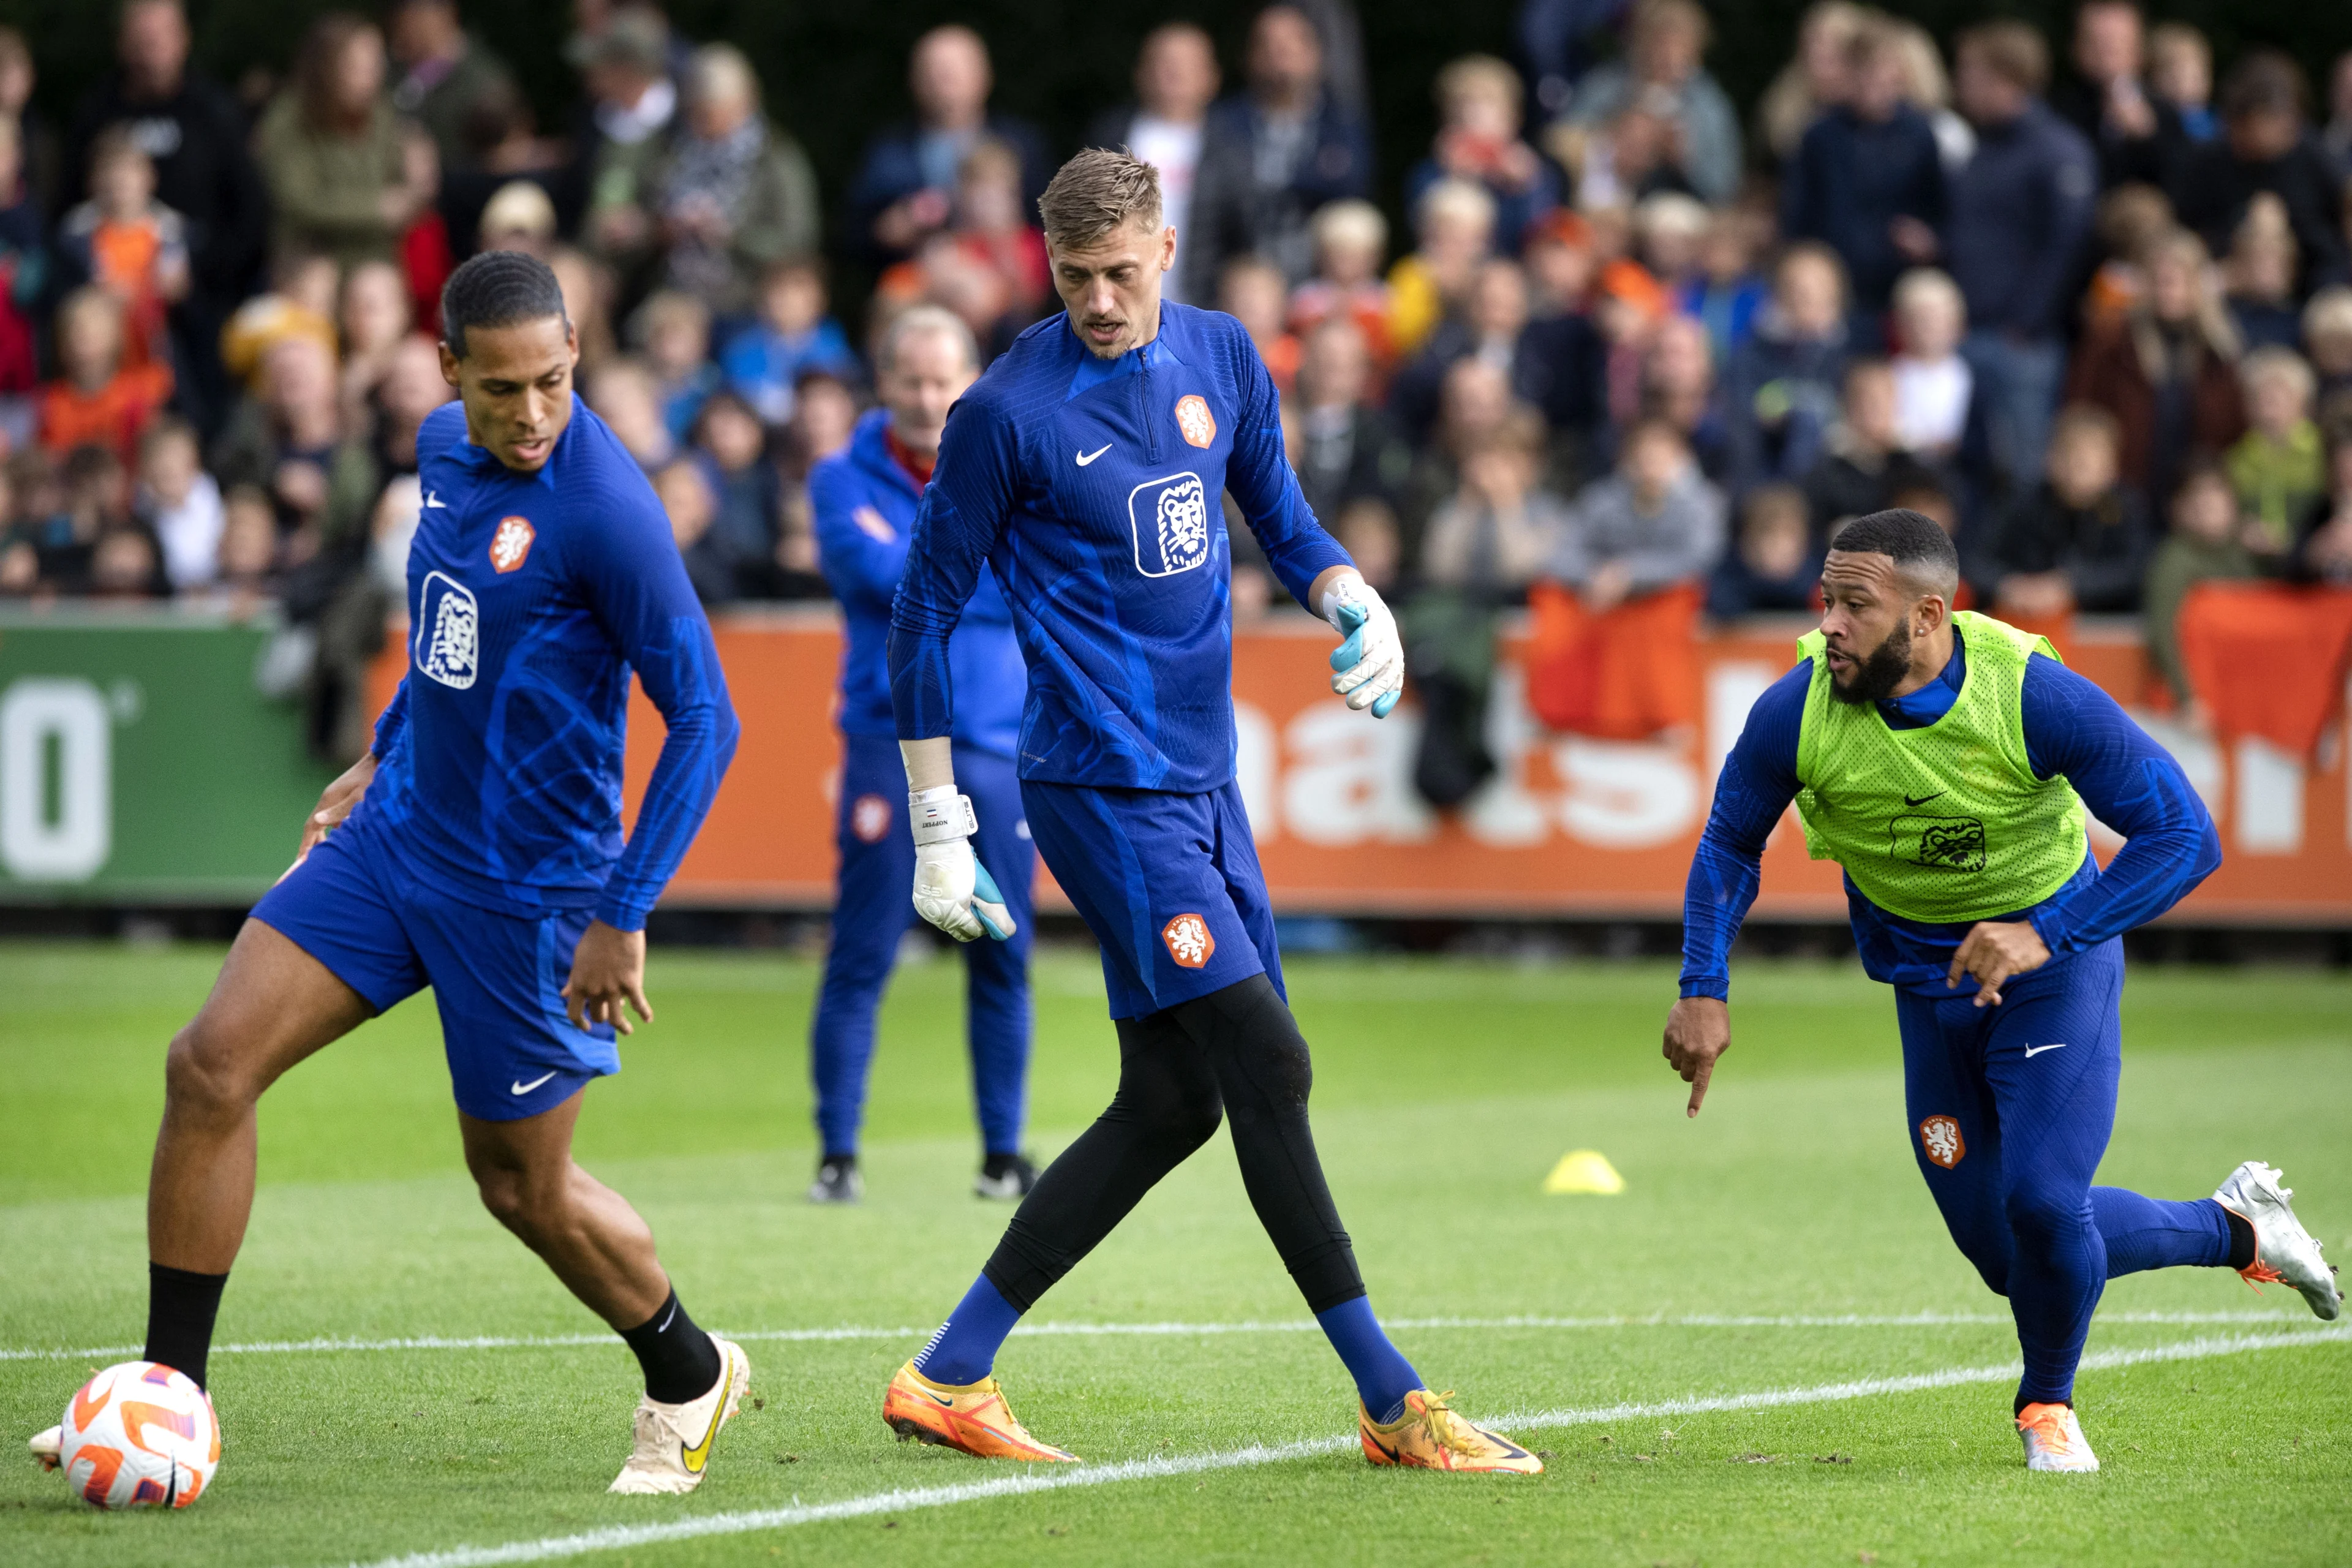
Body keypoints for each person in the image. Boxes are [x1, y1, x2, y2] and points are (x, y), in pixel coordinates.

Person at [24, 249, 751, 1496]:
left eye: (557, 383)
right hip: (400, 836)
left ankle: (689, 1370)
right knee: (208, 1064)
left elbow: (709, 718)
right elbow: (451, 627)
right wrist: (383, 749)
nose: (532, 416)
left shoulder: (608, 512)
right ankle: (164, 1399)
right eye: (504, 388)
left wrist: (620, 913)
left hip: (529, 893)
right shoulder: (436, 449)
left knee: (521, 1188)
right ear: (447, 370)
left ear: (579, 352)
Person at [878, 147, 1538, 1472]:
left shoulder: (1226, 355)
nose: (1103, 302)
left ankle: (948, 1370)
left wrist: (1354, 594)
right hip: (1097, 790)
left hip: (1205, 787)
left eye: (1122, 273)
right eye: (1076, 279)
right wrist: (939, 819)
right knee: (1271, 1062)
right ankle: (1392, 1400)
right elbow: (923, 612)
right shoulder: (1006, 410)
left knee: (1174, 1101)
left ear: (1165, 249)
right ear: (1048, 266)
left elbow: (1280, 517)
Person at [1662, 507, 2340, 1476]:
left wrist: (2046, 933)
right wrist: (1703, 985)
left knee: (2042, 1200)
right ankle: (2236, 1228)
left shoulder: (2033, 697)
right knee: (2002, 1253)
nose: (1831, 627)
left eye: (1857, 605)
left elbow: (2187, 836)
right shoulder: (1797, 709)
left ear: (1929, 614)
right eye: (1827, 601)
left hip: (2052, 971)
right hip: (1923, 984)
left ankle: (2047, 1407)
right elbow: (1730, 842)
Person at [805, 305, 1033, 1204]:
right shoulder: (836, 477)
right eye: (914, 379)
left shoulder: (1005, 468)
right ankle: (837, 1153)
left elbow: (916, 583)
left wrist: (930, 576)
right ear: (886, 382)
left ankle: (1003, 1153)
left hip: (992, 739)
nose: (930, 395)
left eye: (945, 380)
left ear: (969, 384)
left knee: (1003, 952)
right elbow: (875, 579)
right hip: (884, 741)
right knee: (861, 951)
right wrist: (958, 572)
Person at [64, 0, 270, 435]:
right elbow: (64, 215)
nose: (150, 52)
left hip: (196, 305)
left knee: (195, 409)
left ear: (183, 41)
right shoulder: (94, 112)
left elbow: (251, 214)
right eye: (140, 41)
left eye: (159, 39)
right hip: (107, 313)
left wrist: (198, 274)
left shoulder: (214, 110)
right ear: (122, 45)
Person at [1945, 21, 2098, 494]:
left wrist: (2026, 324)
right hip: (1968, 333)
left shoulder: (2056, 150)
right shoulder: (1982, 147)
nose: (1960, 85)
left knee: (2025, 472)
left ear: (2005, 79)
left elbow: (2068, 246)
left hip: (2021, 346)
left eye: (1970, 74)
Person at [1185, 5, 1375, 300]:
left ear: (1318, 53)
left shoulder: (1342, 126)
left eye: (1293, 44)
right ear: (1249, 56)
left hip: (1324, 288)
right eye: (1268, 45)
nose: (1281, 55)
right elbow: (1209, 215)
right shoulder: (1221, 127)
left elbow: (1353, 195)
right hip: (1239, 288)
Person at [846, 25, 1052, 266]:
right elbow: (855, 234)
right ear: (914, 82)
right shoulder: (887, 152)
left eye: (951, 73)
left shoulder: (1022, 144)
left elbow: (1052, 226)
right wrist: (891, 228)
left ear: (983, 77)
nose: (941, 82)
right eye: (931, 72)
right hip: (917, 283)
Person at [1781, 18, 1945, 318]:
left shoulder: (1920, 135)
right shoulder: (1821, 135)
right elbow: (1798, 213)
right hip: (1833, 286)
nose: (1876, 83)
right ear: (1848, 74)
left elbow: (1939, 212)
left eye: (1884, 73)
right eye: (1866, 72)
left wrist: (1928, 241)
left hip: (1897, 288)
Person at [254, 13, 436, 274]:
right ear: (328, 69)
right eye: (357, 67)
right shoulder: (289, 118)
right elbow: (298, 201)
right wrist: (377, 208)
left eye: (375, 66)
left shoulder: (382, 112)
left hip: (377, 262)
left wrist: (419, 176)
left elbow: (408, 185)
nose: (371, 78)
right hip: (310, 262)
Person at [649, 43, 819, 317]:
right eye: (694, 113)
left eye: (709, 114)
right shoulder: (674, 150)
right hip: (675, 300)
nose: (699, 124)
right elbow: (650, 208)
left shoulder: (777, 158)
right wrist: (666, 227)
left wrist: (732, 236)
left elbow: (797, 242)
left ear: (744, 104)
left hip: (748, 301)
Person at [1088, 23, 1221, 305]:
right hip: (1114, 301)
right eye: (1163, 62)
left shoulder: (1229, 150)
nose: (1173, 72)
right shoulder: (1109, 137)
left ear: (1211, 77)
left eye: (1185, 63)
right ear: (1140, 73)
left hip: (1199, 305)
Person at [1559, 0, 1742, 205]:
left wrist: (1685, 159)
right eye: (1659, 43)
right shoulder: (1607, 85)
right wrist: (1609, 144)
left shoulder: (1707, 104)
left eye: (1679, 46)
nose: (1667, 55)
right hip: (1606, 202)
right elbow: (1562, 144)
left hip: (1678, 210)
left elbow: (1725, 187)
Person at [1985, 402, 2153, 616]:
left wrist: (2071, 586)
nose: (2076, 470)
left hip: (2102, 630)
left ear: (2111, 466)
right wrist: (2009, 585)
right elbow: (1976, 560)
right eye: (2069, 456)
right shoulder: (2023, 501)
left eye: (2087, 462)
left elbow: (2136, 569)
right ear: (2050, 458)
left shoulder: (2127, 507)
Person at [2049, 0, 2189, 194]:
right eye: (2095, 43)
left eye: (2116, 44)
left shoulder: (2166, 116)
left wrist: (2146, 138)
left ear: (2139, 50)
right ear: (2076, 49)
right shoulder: (2057, 113)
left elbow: (2182, 185)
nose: (2105, 55)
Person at [386, 0, 519, 175]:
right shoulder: (394, 72)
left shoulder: (484, 77)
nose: (406, 26)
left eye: (415, 13)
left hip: (464, 188)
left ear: (445, 14)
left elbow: (509, 151)